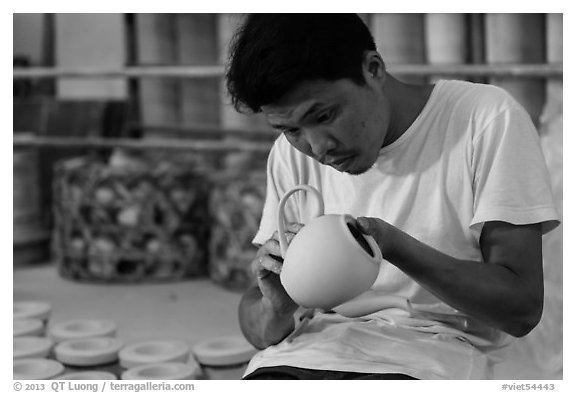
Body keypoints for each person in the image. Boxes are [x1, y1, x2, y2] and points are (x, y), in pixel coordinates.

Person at [225, 14, 560, 380]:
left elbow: (521, 310)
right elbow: (258, 329)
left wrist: (392, 245)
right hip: (310, 354)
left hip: (433, 356)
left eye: (324, 115)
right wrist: (276, 307)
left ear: (373, 69)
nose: (318, 147)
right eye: (290, 129)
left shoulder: (484, 119)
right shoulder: (290, 155)